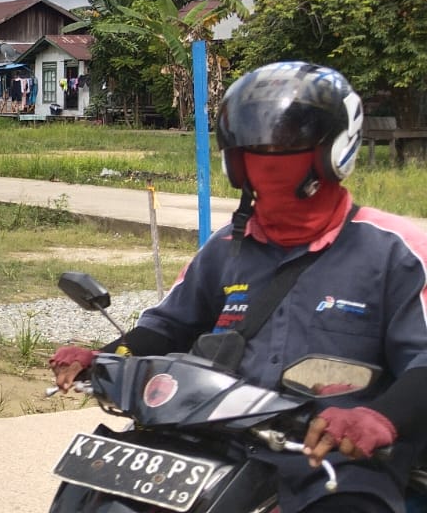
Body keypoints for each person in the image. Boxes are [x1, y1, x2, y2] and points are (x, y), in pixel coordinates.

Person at [49, 61, 427, 513]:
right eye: (252, 144)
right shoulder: (225, 248)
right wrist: (107, 355)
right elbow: (169, 324)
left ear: (333, 148)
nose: (268, 156)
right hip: (218, 443)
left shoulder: (396, 250)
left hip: (331, 461)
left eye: (287, 143)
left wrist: (377, 417)